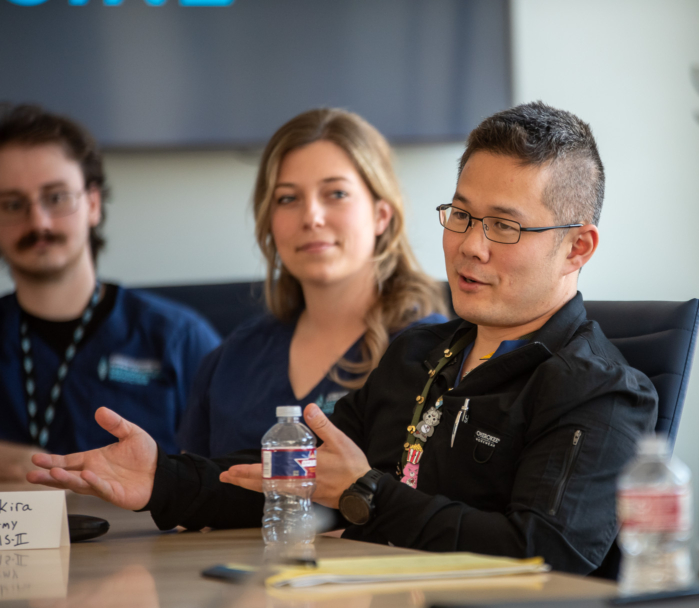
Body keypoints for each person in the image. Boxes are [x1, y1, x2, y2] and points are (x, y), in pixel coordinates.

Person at [28, 102, 658, 576]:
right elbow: (303, 475)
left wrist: (367, 496)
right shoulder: (419, 354)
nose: (471, 244)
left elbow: (547, 556)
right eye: (462, 215)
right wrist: (162, 480)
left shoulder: (600, 394)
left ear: (577, 247)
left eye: (504, 226)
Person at [175, 109, 447, 458]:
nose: (311, 217)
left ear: (381, 214)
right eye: (288, 198)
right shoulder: (230, 359)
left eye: (336, 194)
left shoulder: (432, 358)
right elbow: (190, 498)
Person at [0, 104, 220, 478]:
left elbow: (234, 471)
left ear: (93, 204)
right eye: (11, 204)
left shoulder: (178, 338)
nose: (38, 221)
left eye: (56, 198)